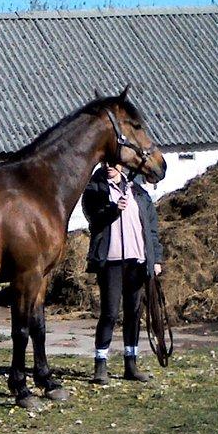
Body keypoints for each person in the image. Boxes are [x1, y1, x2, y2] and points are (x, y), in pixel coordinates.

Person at [81, 161, 164, 385]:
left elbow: (152, 229)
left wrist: (155, 259)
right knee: (109, 313)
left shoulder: (138, 191)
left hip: (137, 260)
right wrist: (113, 209)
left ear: (123, 165)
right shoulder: (94, 190)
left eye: (114, 163)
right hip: (111, 261)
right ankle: (100, 365)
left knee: (134, 313)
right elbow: (94, 218)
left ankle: (131, 363)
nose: (109, 166)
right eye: (106, 162)